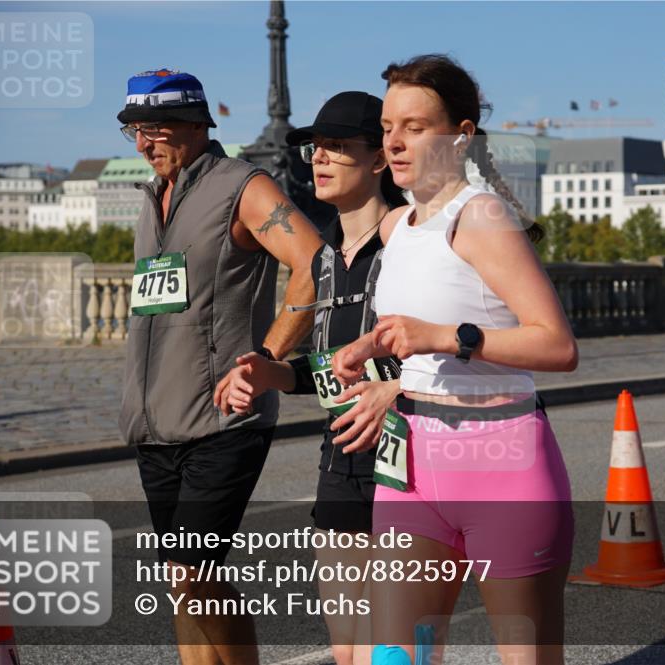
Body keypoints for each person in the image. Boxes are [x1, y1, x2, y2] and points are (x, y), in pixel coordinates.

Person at [331, 54, 578, 665]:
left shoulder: (481, 215)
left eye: (414, 127)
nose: (394, 141)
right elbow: (415, 324)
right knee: (397, 658)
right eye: (388, 127)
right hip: (410, 466)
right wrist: (371, 347)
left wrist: (444, 337)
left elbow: (557, 345)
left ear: (461, 135)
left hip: (502, 464)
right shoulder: (397, 225)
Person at [115, 68, 323, 665]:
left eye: (155, 129)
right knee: (182, 583)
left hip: (222, 422)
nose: (143, 143)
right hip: (157, 425)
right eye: (133, 130)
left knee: (192, 573)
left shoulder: (242, 186)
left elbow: (314, 263)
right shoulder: (154, 199)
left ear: (196, 124)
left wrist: (268, 357)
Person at [213, 91, 407, 665]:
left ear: (379, 158)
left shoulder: (410, 244)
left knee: (392, 649)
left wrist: (395, 389)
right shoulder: (323, 259)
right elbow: (332, 367)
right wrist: (272, 373)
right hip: (340, 461)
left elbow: (455, 352)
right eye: (315, 148)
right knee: (347, 650)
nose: (318, 158)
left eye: (337, 147)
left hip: (407, 465)